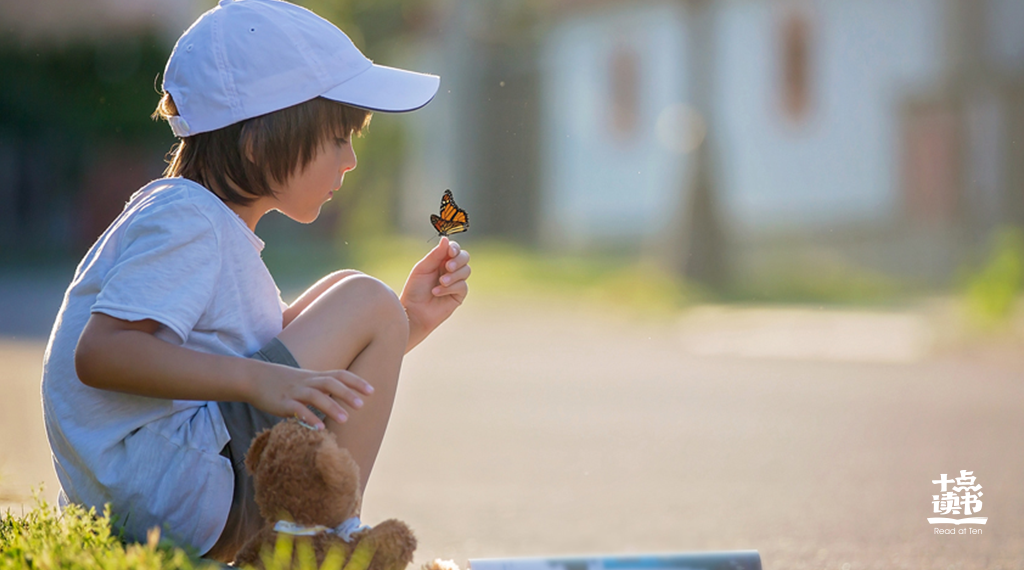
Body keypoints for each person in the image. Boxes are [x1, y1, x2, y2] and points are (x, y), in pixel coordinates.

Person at [39, 0, 470, 562]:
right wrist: (254, 380)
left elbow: (276, 363)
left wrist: (404, 321)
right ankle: (331, 543)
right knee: (364, 298)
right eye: (339, 138)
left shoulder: (201, 222)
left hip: (175, 482)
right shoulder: (188, 220)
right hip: (178, 489)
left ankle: (320, 539)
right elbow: (101, 353)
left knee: (364, 300)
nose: (350, 161)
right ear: (260, 138)